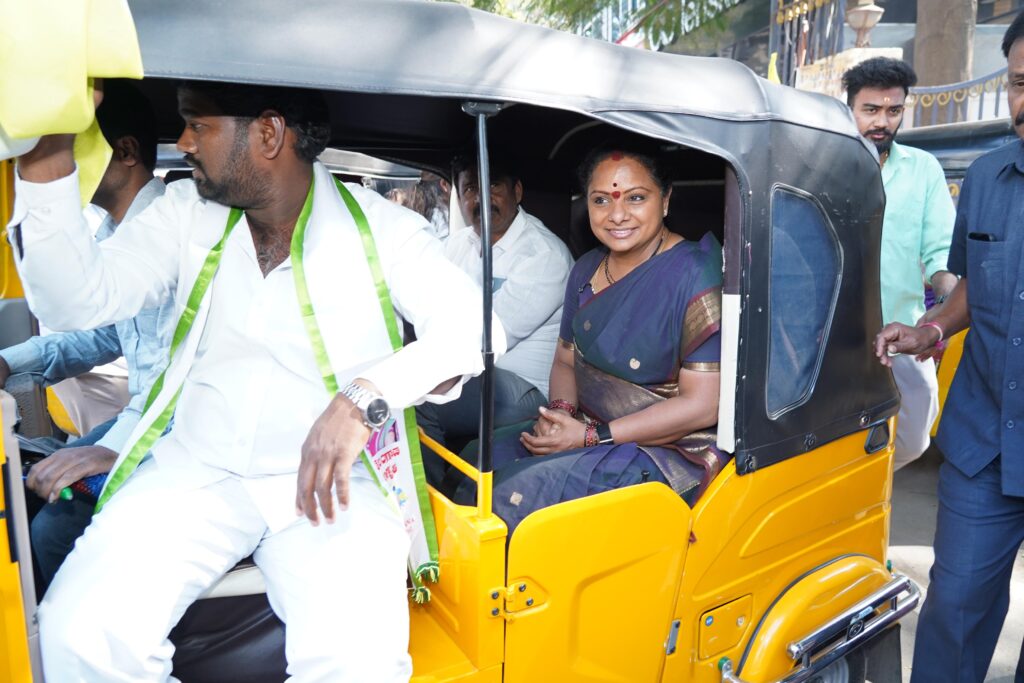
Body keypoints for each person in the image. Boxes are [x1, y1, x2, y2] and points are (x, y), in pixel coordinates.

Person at [9, 81, 500, 681]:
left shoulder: (382, 229)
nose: (183, 141)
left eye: (198, 125)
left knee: (360, 664)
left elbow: (476, 329)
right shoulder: (183, 213)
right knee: (76, 637)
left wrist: (362, 402)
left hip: (329, 485)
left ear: (269, 134)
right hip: (196, 470)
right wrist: (46, 159)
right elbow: (73, 302)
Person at [455, 147, 724, 533]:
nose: (617, 215)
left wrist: (590, 437)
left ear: (665, 200)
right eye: (601, 200)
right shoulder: (586, 268)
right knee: (475, 460)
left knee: (511, 496)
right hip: (587, 425)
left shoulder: (695, 275)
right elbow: (565, 359)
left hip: (664, 447)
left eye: (636, 198)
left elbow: (701, 406)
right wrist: (562, 414)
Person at [874, 15, 1024, 682]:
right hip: (985, 439)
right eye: (1020, 85)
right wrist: (933, 329)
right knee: (954, 607)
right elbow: (969, 282)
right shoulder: (989, 177)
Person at [0, 80, 173, 589]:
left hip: (174, 432)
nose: (60, 167)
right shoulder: (112, 236)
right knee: (26, 494)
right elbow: (100, 337)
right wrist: (11, 362)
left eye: (67, 148)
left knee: (52, 532)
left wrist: (116, 449)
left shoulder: (174, 231)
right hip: (141, 418)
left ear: (124, 153)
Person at [418, 154, 573, 459]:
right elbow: (425, 304)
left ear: (517, 191)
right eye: (471, 188)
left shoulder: (542, 255)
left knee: (420, 402)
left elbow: (484, 338)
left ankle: (423, 504)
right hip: (470, 370)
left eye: (493, 185)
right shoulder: (458, 244)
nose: (481, 198)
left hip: (524, 387)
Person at [843, 57, 957, 471]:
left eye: (894, 111)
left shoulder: (923, 169)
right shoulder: (825, 167)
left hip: (902, 332)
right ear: (850, 109)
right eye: (871, 110)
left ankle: (869, 482)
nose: (882, 122)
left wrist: (946, 299)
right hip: (833, 337)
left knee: (913, 439)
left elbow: (939, 252)